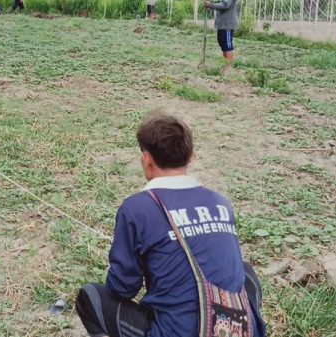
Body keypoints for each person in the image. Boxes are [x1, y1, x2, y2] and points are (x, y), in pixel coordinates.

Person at [76, 113, 266, 337]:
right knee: (245, 271)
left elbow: (122, 288)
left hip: (175, 331)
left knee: (91, 296)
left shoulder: (137, 208)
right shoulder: (220, 202)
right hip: (235, 328)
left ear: (146, 159)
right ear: (192, 156)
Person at [204, 0, 239, 75]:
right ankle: (225, 66)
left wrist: (211, 5)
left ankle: (228, 69)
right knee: (223, 44)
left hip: (227, 23)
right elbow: (221, 3)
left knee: (227, 45)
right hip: (223, 23)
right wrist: (211, 4)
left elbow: (225, 5)